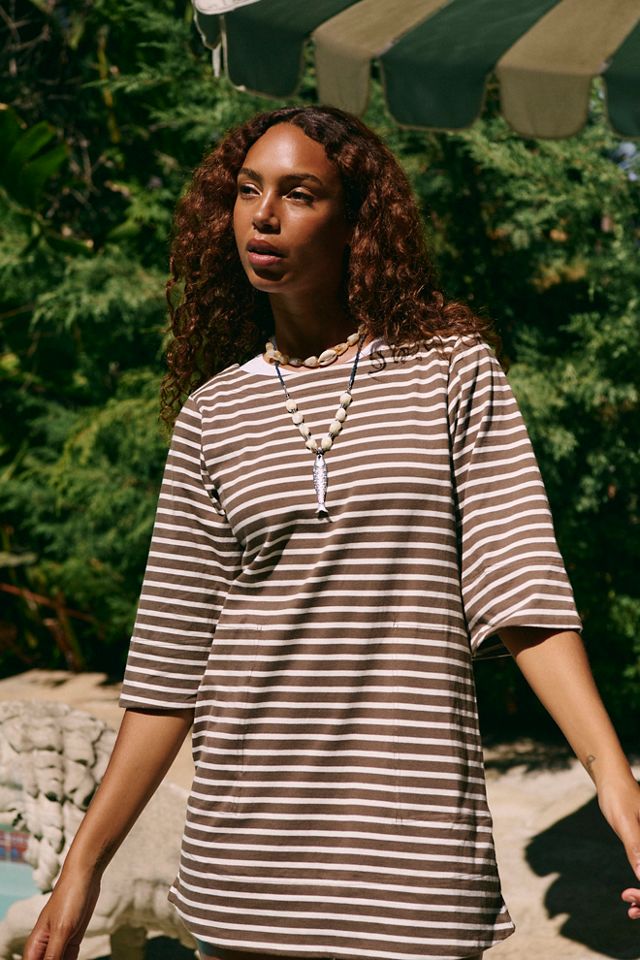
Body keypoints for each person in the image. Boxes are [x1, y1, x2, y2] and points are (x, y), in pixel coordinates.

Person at [24, 105, 640, 960]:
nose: (264, 216)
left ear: (358, 223)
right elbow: (169, 664)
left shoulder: (450, 371)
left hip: (415, 867)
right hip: (243, 874)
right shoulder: (213, 416)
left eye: (299, 193)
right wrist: (83, 869)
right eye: (248, 191)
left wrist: (614, 778)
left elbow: (521, 588)